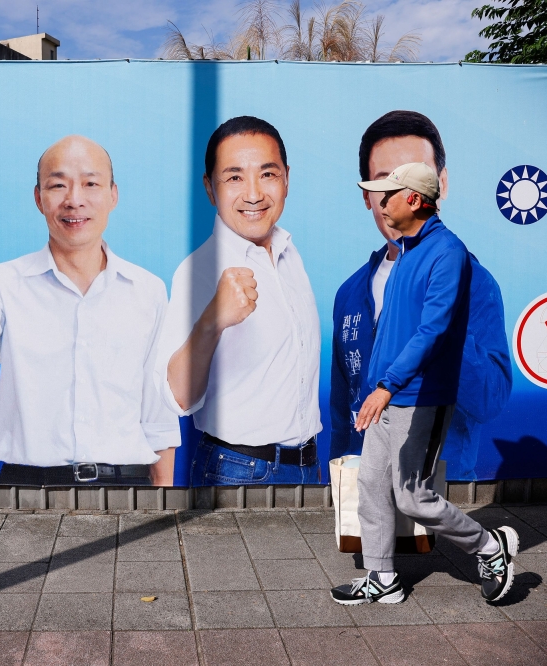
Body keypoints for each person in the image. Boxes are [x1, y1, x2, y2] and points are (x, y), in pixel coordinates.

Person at [0, 135, 180, 486]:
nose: (74, 200)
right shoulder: (1, 283)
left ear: (113, 195)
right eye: (58, 185)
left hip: (128, 488)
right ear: (39, 198)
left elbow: (159, 419)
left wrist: (162, 507)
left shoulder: (147, 290)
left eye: (90, 184)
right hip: (26, 490)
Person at [330, 162, 518, 606]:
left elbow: (432, 331)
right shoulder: (406, 251)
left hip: (420, 397)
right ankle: (383, 578)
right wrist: (375, 387)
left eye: (388, 195)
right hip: (386, 395)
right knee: (373, 486)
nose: (380, 202)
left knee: (412, 497)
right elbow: (394, 330)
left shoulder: (448, 253)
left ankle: (490, 547)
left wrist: (387, 385)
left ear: (414, 200)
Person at [330, 110, 512, 480]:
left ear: (441, 184)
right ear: (368, 196)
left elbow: (489, 400)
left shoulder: (474, 282)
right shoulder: (349, 293)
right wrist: (339, 479)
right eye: (385, 183)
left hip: (440, 487)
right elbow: (340, 410)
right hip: (365, 487)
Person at [156, 116, 321, 486]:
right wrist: (212, 320)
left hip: (308, 465)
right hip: (238, 471)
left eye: (267, 174)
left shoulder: (289, 255)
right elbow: (177, 399)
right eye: (234, 177)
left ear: (286, 179)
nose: (253, 193)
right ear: (210, 188)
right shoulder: (199, 270)